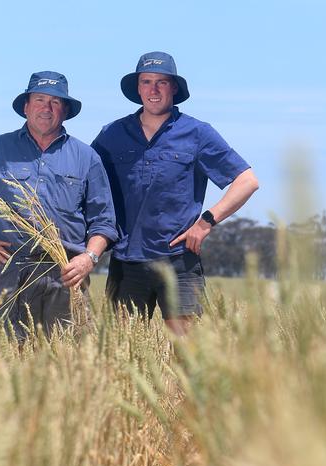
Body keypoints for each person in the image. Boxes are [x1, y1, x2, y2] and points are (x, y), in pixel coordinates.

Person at [91, 52, 259, 335]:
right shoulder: (112, 134)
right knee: (122, 350)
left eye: (162, 82)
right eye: (146, 82)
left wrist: (206, 222)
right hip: (126, 258)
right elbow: (88, 184)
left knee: (188, 353)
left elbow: (247, 180)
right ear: (138, 88)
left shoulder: (197, 133)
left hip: (179, 258)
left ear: (174, 89)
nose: (153, 90)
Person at [0, 71, 117, 340]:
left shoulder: (87, 157)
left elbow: (104, 221)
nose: (46, 108)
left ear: (66, 110)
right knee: (15, 360)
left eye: (55, 102)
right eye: (39, 100)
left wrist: (88, 258)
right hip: (13, 273)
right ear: (26, 107)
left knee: (70, 364)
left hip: (67, 274)